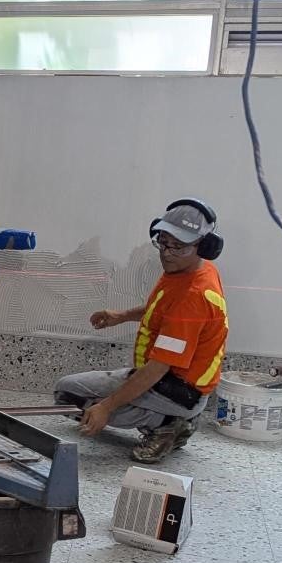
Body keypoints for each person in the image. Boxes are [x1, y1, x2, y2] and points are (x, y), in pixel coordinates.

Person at [54, 198, 229, 464]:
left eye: (179, 247)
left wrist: (106, 407)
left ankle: (168, 425)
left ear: (204, 246)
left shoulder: (193, 297)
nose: (167, 253)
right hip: (170, 379)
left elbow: (158, 367)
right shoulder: (188, 271)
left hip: (178, 389)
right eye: (164, 242)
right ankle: (171, 419)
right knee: (68, 392)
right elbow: (161, 311)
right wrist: (121, 316)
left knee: (77, 401)